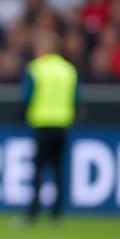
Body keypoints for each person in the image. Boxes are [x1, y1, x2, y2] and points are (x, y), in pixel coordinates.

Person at [23, 33, 79, 223]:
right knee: (58, 170)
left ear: (45, 49)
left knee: (38, 171)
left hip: (42, 124)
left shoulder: (36, 68)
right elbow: (76, 99)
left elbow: (27, 96)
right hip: (62, 124)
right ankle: (56, 214)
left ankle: (33, 213)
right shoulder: (69, 70)